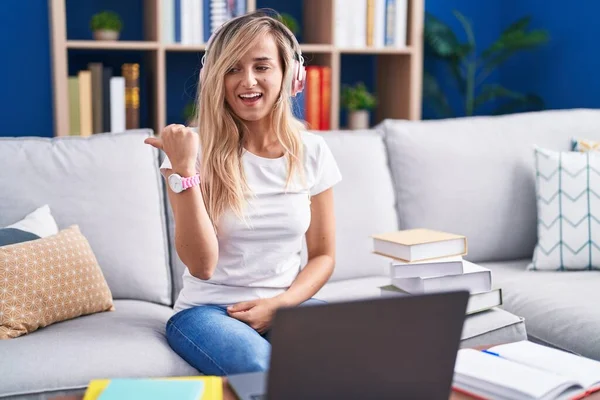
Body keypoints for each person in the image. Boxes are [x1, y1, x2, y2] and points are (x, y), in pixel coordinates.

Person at [144, 10, 342, 376]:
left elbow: (323, 255)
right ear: (214, 78)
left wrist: (280, 304)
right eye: (232, 68)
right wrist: (185, 171)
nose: (246, 80)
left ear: (290, 75)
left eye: (262, 66)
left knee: (357, 352)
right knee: (260, 368)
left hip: (287, 305)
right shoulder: (192, 151)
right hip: (207, 312)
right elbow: (201, 266)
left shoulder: (313, 151)